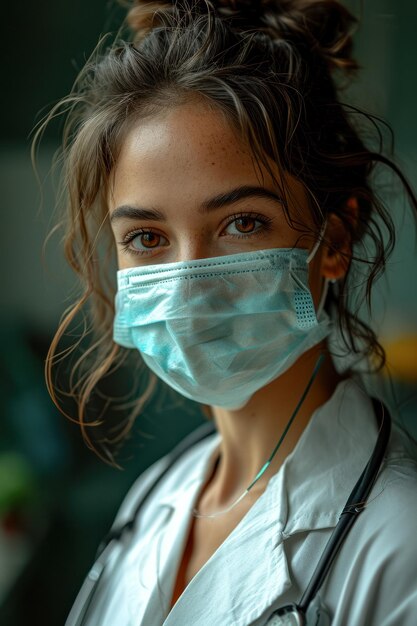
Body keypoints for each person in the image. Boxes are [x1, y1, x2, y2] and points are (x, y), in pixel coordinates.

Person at [35, 0, 417, 624]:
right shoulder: (159, 494)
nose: (188, 286)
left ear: (336, 241)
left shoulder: (402, 542)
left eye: (242, 223)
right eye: (148, 238)